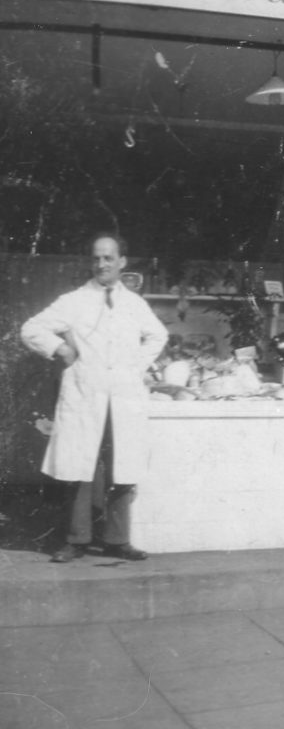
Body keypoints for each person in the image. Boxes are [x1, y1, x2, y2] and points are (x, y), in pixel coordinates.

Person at [21, 233, 168, 562]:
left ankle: (117, 540)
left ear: (122, 262)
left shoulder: (134, 303)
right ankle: (77, 540)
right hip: (85, 395)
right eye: (96, 258)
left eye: (108, 258)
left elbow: (158, 334)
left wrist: (135, 366)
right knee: (79, 466)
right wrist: (60, 348)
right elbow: (31, 328)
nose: (102, 264)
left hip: (124, 398)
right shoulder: (73, 301)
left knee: (123, 468)